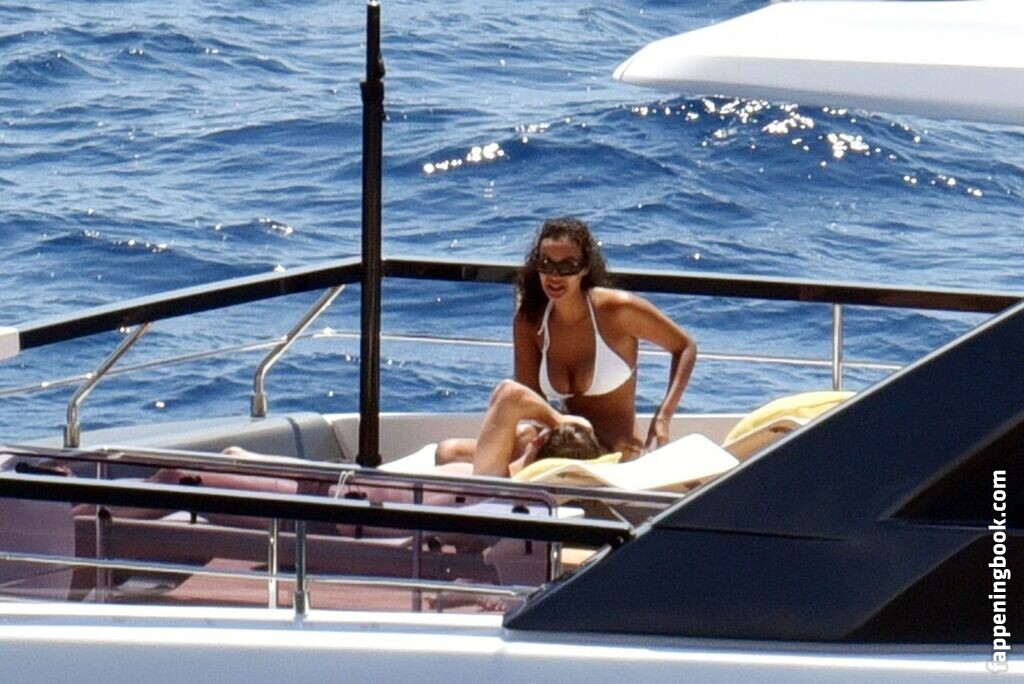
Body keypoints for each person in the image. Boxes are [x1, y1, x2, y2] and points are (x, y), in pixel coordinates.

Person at [513, 217, 696, 459]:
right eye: (546, 264)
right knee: (472, 444)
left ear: (585, 268)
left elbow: (684, 347)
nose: (554, 276)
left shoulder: (617, 310)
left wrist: (663, 417)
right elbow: (531, 403)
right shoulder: (530, 322)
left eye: (567, 266)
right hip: (565, 451)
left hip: (619, 454)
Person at [436, 379, 602, 477]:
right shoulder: (510, 473)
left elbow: (509, 392)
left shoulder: (493, 474)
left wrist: (557, 419)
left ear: (538, 441)